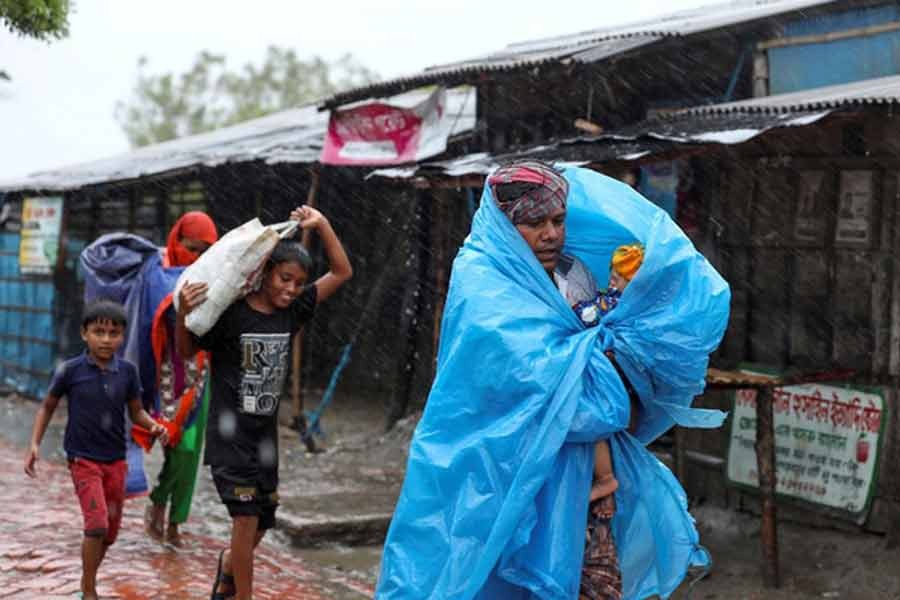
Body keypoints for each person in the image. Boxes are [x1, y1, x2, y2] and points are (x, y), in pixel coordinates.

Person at [375, 161, 729, 600]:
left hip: (579, 484)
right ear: (505, 225)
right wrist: (598, 362)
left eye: (558, 220)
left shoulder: (571, 274)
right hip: (494, 472)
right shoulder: (483, 281)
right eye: (534, 222)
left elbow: (593, 386)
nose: (551, 234)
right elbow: (533, 382)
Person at [175, 205, 352, 600]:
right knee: (244, 517)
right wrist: (182, 315)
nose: (290, 289)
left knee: (264, 520)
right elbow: (187, 350)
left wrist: (322, 224)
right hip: (229, 434)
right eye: (284, 278)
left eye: (298, 282)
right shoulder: (231, 315)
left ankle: (227, 567)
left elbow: (342, 272)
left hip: (264, 437)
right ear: (265, 272)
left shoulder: (293, 312)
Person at [23, 299, 168, 600]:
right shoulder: (71, 371)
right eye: (98, 332)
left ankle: (86, 578)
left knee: (110, 533)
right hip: (82, 459)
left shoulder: (127, 372)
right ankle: (89, 592)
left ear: (122, 336)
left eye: (113, 333)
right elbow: (47, 406)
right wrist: (35, 443)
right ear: (84, 333)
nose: (106, 339)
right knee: (97, 523)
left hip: (116, 460)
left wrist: (154, 425)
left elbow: (136, 411)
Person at [144, 211, 219, 545]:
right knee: (174, 446)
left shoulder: (215, 277)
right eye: (192, 249)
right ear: (177, 242)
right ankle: (160, 499)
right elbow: (149, 316)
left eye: (207, 252)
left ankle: (175, 520)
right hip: (166, 372)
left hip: (200, 374)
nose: (198, 259)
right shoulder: (157, 273)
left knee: (190, 452)